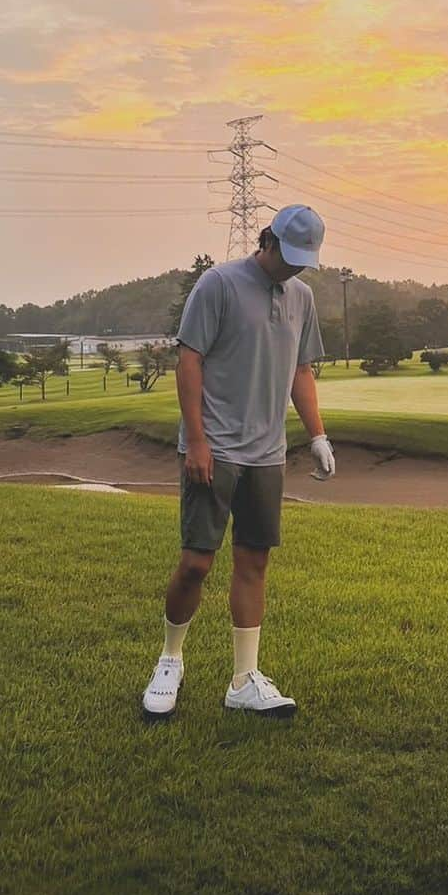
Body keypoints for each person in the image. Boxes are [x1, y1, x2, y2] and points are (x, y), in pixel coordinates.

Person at [141, 204, 335, 720]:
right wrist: (197, 441)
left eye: (303, 261)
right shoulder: (219, 284)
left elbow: (301, 370)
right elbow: (189, 360)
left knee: (254, 562)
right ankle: (170, 659)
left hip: (267, 454)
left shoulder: (302, 296)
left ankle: (244, 680)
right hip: (216, 447)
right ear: (267, 239)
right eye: (289, 256)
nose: (295, 268)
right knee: (196, 562)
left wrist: (317, 436)